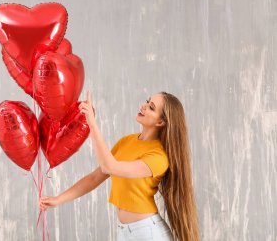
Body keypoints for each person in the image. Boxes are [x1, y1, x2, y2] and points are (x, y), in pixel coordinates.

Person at [38, 91, 200, 241]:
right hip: (124, 231)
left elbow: (110, 167)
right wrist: (58, 200)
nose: (144, 106)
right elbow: (95, 177)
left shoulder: (159, 157)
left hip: (147, 232)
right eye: (147, 101)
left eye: (151, 107)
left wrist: (92, 125)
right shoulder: (126, 141)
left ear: (161, 121)